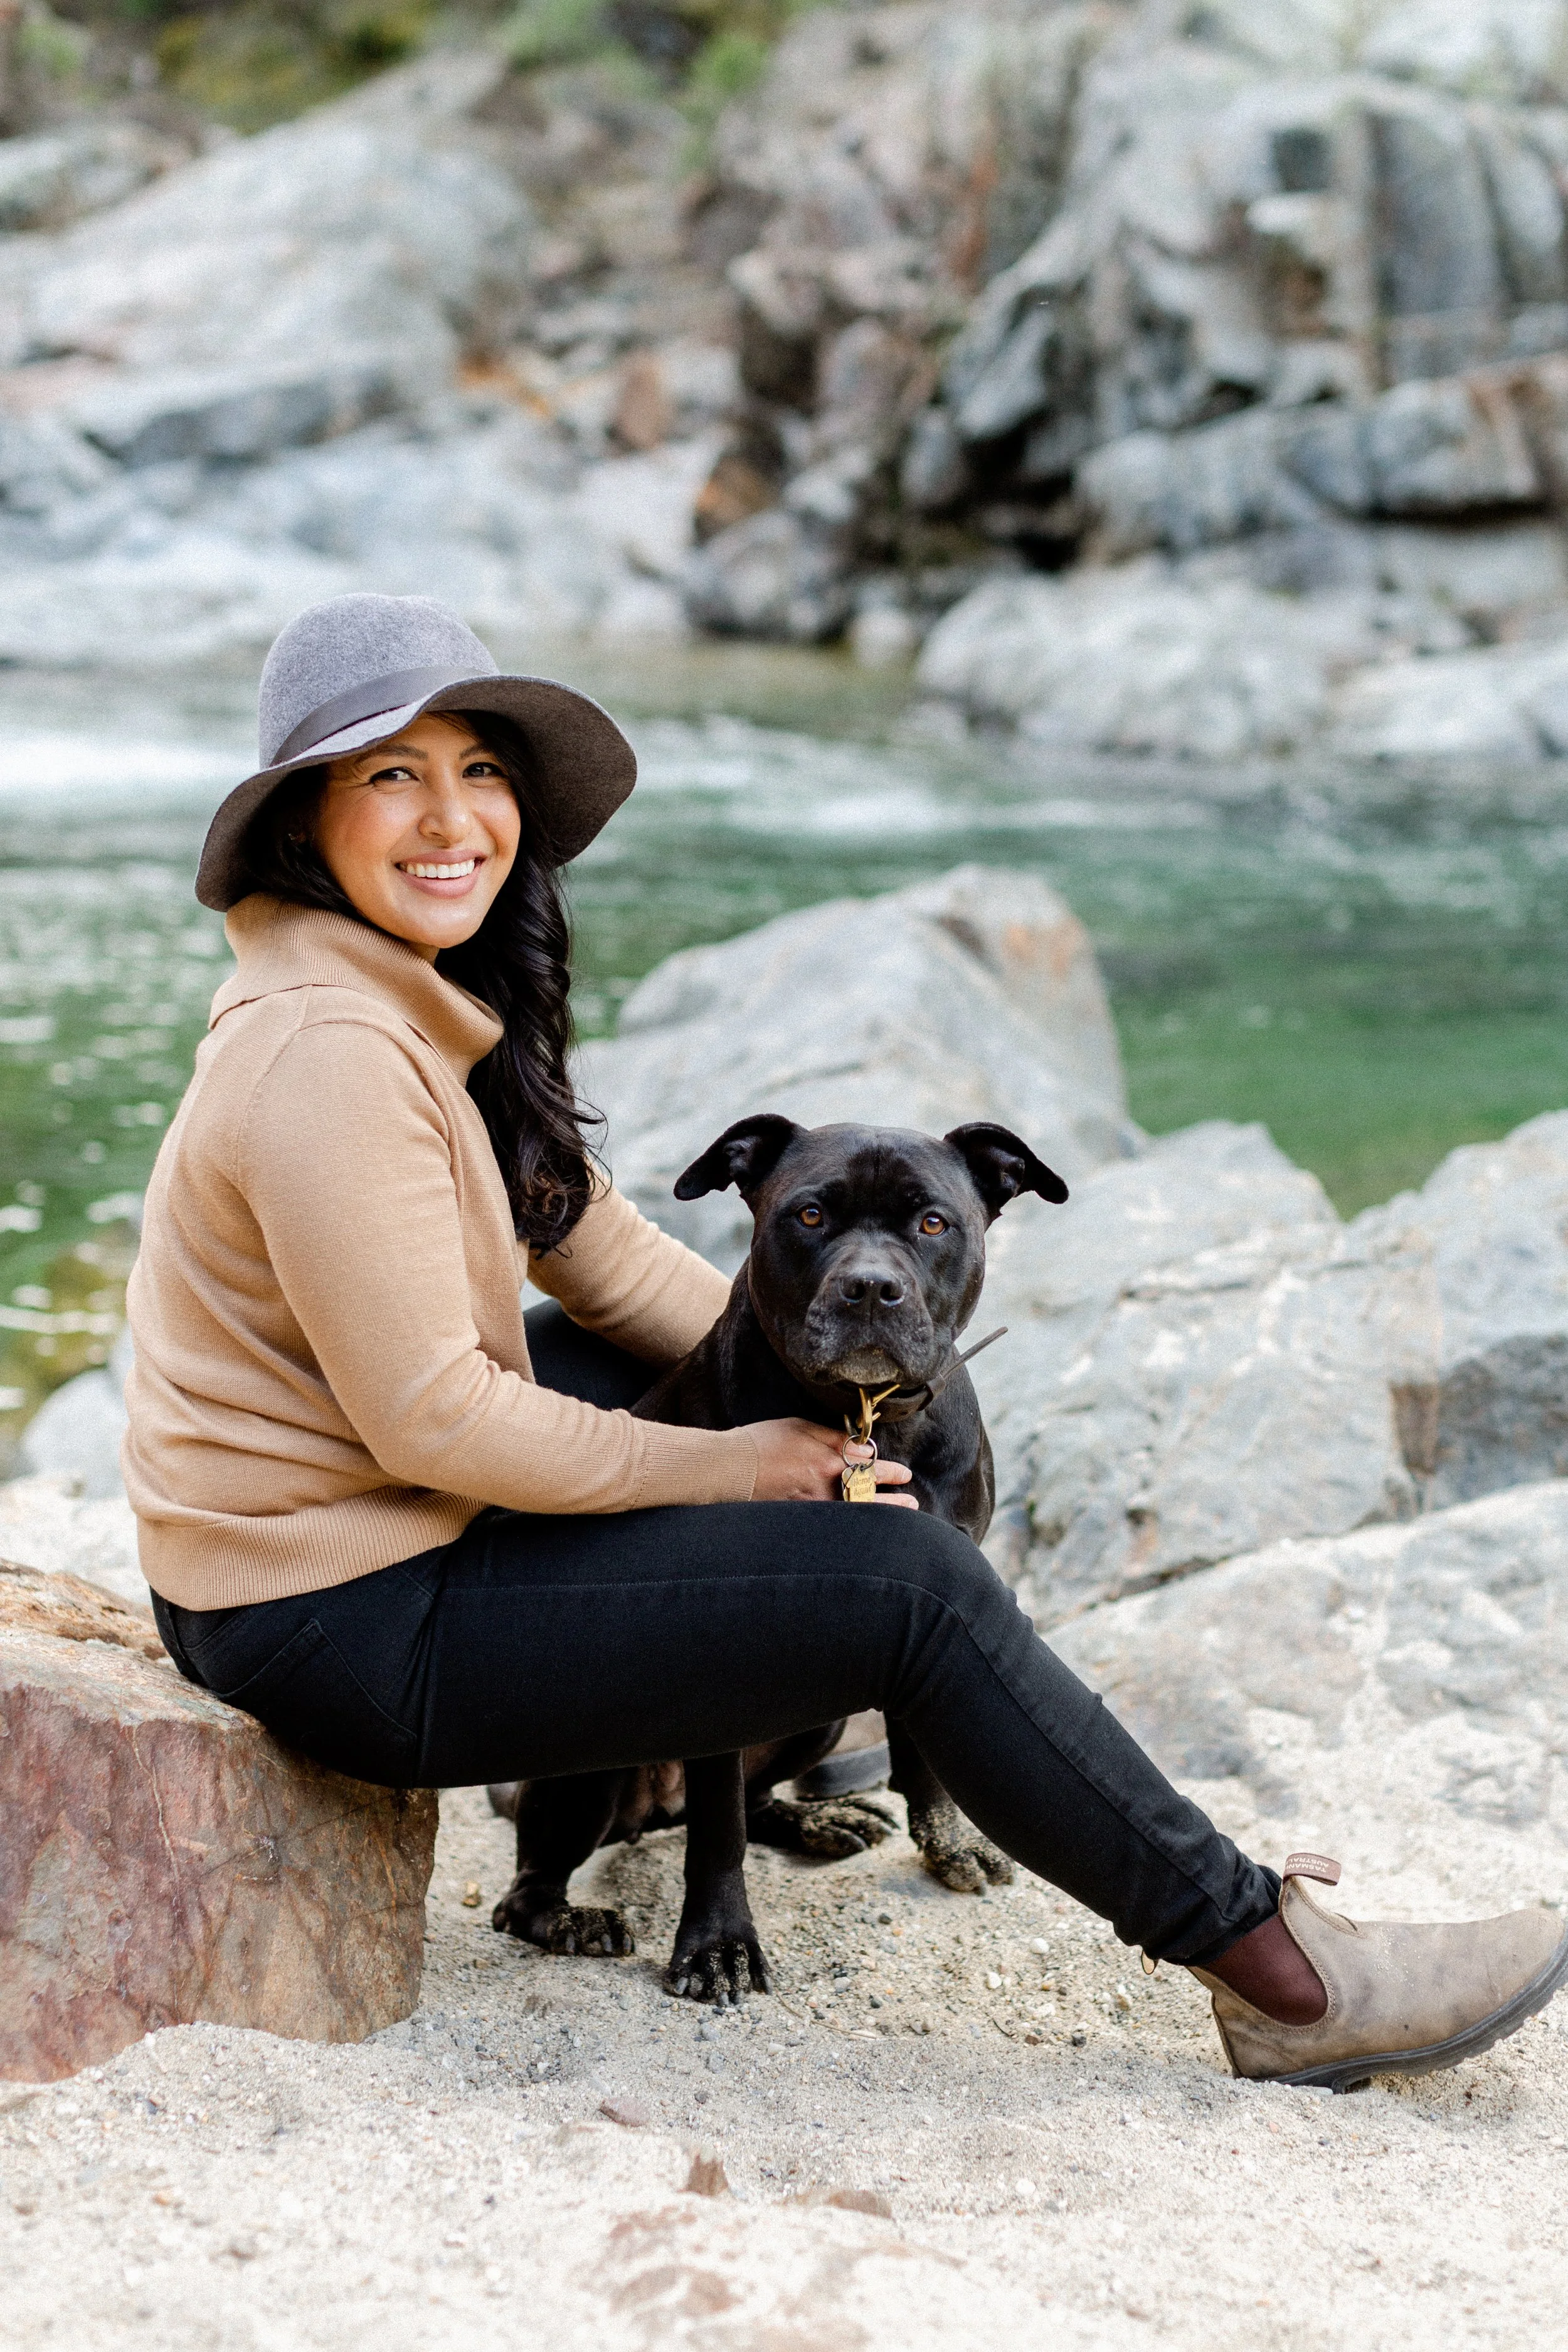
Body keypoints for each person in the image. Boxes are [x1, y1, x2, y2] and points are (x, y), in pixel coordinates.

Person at [129, 591, 1566, 2093]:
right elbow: (435, 1422)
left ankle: (832, 1694)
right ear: (304, 818)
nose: (454, 819)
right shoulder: (332, 1057)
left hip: (356, 1550)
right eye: (391, 777)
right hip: (340, 1623)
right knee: (916, 1586)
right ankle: (1278, 1969)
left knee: (680, 1379)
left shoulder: (407, 1005)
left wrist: (851, 1380)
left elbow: (611, 1261)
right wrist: (743, 1465)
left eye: (480, 771)